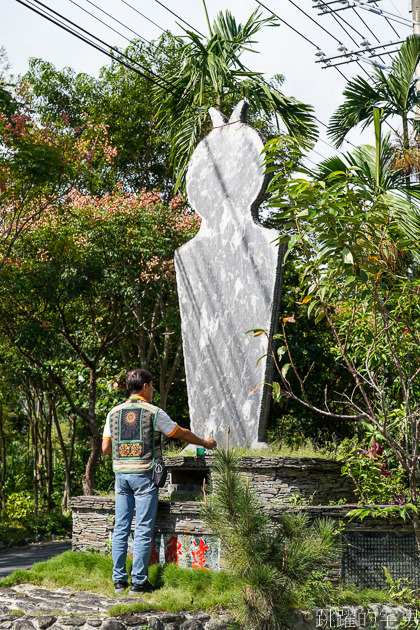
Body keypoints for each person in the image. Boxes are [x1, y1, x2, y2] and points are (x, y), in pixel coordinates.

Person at [102, 368, 217, 594]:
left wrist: (125, 454)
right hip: (144, 476)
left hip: (121, 477)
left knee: (121, 528)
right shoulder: (153, 412)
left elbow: (105, 447)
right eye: (152, 386)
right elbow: (180, 433)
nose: (152, 390)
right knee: (144, 529)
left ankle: (118, 581)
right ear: (145, 386)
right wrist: (205, 442)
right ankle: (139, 583)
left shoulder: (113, 413)